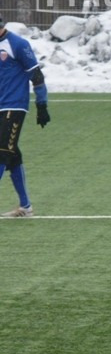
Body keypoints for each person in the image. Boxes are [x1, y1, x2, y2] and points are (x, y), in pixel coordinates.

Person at [0, 15, 50, 218]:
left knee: (2, 151)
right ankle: (26, 206)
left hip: (14, 106)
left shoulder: (18, 44)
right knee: (12, 156)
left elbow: (36, 75)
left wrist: (41, 105)